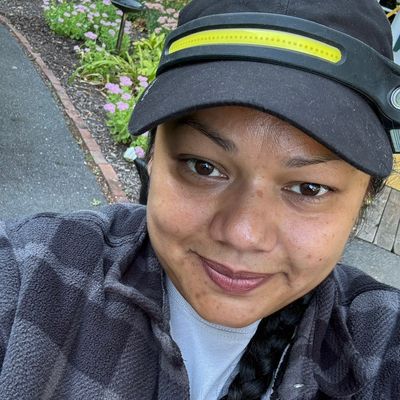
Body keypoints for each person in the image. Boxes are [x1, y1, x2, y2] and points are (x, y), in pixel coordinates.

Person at [1, 0, 400, 399]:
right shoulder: (31, 278)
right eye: (204, 167)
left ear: (363, 200)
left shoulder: (381, 347)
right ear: (152, 156)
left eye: (308, 188)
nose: (243, 234)